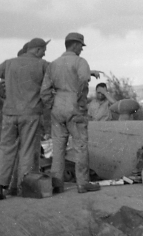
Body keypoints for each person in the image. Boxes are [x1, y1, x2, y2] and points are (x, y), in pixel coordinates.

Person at [0, 38, 51, 200]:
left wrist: (4, 94)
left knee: (6, 149)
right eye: (43, 50)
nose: (44, 54)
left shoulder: (9, 63)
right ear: (36, 50)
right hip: (31, 113)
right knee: (28, 149)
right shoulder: (43, 65)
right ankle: (23, 186)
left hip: (9, 112)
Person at [40, 32, 100, 194]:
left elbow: (44, 91)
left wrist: (52, 105)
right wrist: (80, 104)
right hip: (74, 106)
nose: (82, 49)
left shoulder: (53, 64)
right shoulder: (81, 62)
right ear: (75, 45)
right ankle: (82, 183)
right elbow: (83, 82)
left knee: (58, 147)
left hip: (57, 106)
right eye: (81, 45)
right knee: (80, 145)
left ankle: (57, 184)